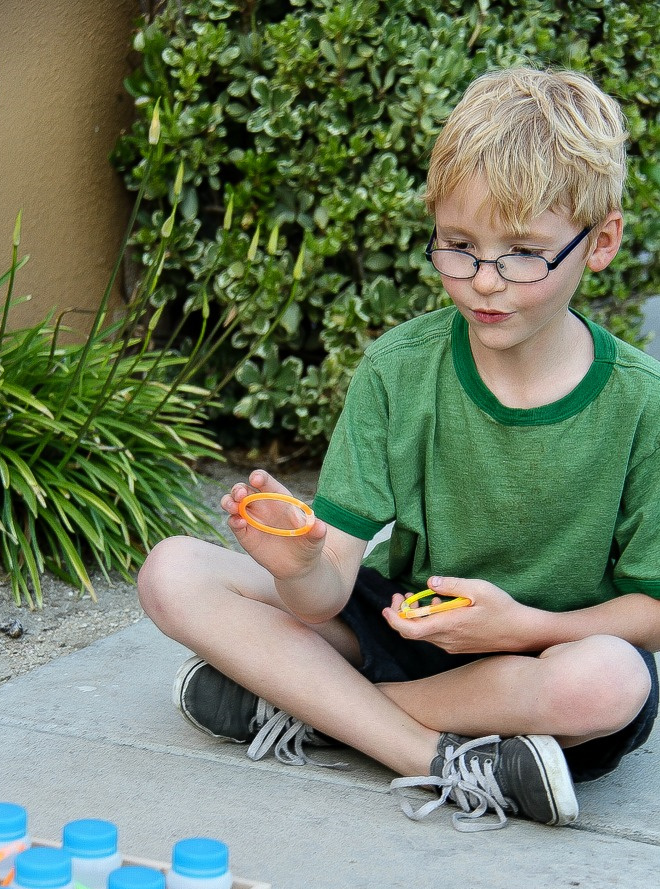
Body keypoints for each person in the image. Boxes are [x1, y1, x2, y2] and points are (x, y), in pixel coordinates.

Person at [138, 67, 660, 832]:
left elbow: (649, 612)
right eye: (458, 245)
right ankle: (440, 760)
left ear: (601, 241)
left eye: (522, 253)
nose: (485, 282)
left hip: (541, 664)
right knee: (171, 569)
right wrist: (304, 564)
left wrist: (520, 626)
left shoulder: (642, 402)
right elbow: (329, 591)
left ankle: (313, 708)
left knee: (610, 681)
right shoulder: (398, 369)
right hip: (410, 627)